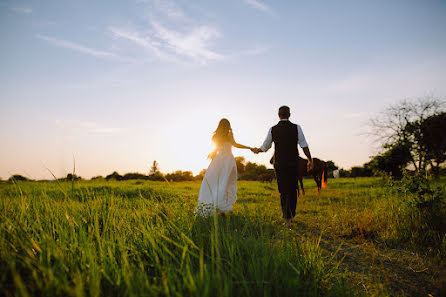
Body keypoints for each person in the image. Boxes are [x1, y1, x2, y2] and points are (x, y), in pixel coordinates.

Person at [252, 106, 313, 227]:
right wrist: (310, 159)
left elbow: (265, 147)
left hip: (279, 164)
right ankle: (291, 215)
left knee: (283, 191)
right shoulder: (297, 128)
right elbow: (304, 145)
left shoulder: (273, 129)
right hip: (293, 163)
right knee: (292, 189)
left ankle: (287, 218)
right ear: (289, 114)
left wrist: (257, 150)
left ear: (278, 115)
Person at [195, 119, 253, 215]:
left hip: (218, 161)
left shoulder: (215, 136)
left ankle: (218, 206)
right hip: (228, 161)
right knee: (227, 183)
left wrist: (211, 154)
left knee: (216, 182)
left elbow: (216, 149)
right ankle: (223, 207)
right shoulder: (229, 135)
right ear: (228, 125)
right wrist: (249, 147)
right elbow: (236, 144)